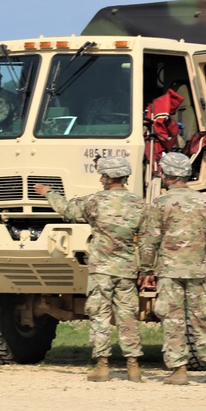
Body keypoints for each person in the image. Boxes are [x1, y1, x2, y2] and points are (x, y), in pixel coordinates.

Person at [33, 157, 147, 382]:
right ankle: (133, 367)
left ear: (110, 177)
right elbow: (146, 238)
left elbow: (67, 210)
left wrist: (48, 192)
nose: (100, 179)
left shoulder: (95, 201)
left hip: (101, 270)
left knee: (100, 315)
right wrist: (146, 269)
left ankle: (102, 366)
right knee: (127, 317)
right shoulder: (139, 204)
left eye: (103, 175)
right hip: (127, 270)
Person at [139, 152, 206, 385]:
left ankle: (179, 370)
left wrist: (147, 270)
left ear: (168, 175)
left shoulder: (160, 203)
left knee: (173, 320)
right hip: (198, 269)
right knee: (204, 318)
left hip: (169, 271)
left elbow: (150, 240)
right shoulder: (204, 202)